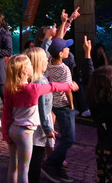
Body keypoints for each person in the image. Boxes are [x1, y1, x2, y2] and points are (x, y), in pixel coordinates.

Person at [2, 54, 79, 183]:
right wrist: (69, 86)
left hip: (13, 130)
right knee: (24, 169)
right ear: (25, 71)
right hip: (25, 133)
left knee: (13, 165)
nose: (33, 67)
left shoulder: (10, 88)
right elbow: (53, 86)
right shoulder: (33, 88)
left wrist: (5, 133)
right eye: (30, 65)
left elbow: (6, 114)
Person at [39, 38, 75, 181]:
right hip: (63, 106)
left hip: (52, 103)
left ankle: (56, 166)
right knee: (69, 138)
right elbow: (68, 89)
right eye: (66, 48)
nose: (69, 49)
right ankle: (50, 164)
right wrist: (72, 105)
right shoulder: (64, 69)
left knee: (66, 137)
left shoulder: (48, 63)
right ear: (60, 54)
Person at [25, 47, 56, 183]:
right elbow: (42, 109)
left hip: (30, 124)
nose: (47, 62)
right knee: (36, 159)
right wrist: (48, 129)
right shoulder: (40, 82)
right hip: (39, 127)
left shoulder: (32, 81)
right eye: (44, 60)